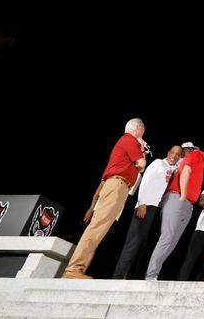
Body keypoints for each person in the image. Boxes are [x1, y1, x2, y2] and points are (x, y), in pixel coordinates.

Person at [64, 118, 149, 279]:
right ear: (138, 129)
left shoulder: (127, 141)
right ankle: (73, 268)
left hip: (119, 186)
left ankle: (77, 268)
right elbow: (142, 164)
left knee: (100, 228)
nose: (142, 135)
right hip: (117, 184)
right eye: (142, 132)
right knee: (98, 226)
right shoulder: (130, 139)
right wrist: (141, 147)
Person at [144, 144, 204, 281]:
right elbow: (185, 171)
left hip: (188, 204)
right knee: (167, 237)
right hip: (177, 198)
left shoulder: (202, 164)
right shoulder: (196, 155)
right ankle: (151, 274)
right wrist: (183, 195)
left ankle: (155, 273)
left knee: (173, 241)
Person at [112, 144, 181, 279]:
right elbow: (145, 182)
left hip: (157, 208)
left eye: (178, 154)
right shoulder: (158, 163)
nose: (174, 156)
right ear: (168, 152)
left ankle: (130, 275)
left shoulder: (174, 169)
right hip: (146, 205)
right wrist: (141, 202)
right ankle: (118, 276)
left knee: (143, 245)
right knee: (133, 241)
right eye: (172, 152)